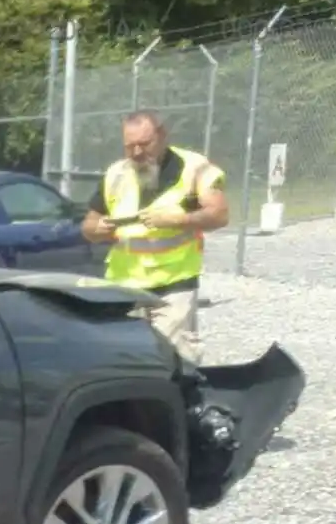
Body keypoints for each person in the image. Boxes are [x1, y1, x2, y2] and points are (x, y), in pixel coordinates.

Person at [81, 110, 229, 363]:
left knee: (173, 360)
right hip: (124, 287)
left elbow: (219, 215)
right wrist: (98, 230)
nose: (137, 153)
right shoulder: (116, 174)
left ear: (162, 136)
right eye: (130, 147)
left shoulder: (195, 169)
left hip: (173, 285)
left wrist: (180, 219)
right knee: (128, 360)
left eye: (144, 144)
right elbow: (88, 225)